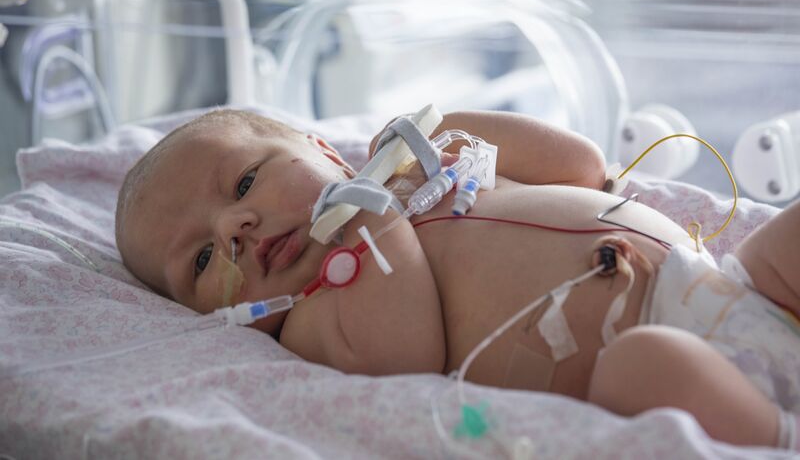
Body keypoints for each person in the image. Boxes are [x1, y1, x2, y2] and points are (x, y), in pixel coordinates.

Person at [115, 108, 800, 451]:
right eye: (203, 260)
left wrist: (454, 128)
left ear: (325, 151)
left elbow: (584, 167)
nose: (235, 226)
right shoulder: (317, 313)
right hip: (676, 357)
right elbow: (402, 352)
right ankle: (778, 432)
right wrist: (367, 221)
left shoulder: (433, 172)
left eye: (244, 180)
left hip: (738, 290)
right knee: (645, 368)